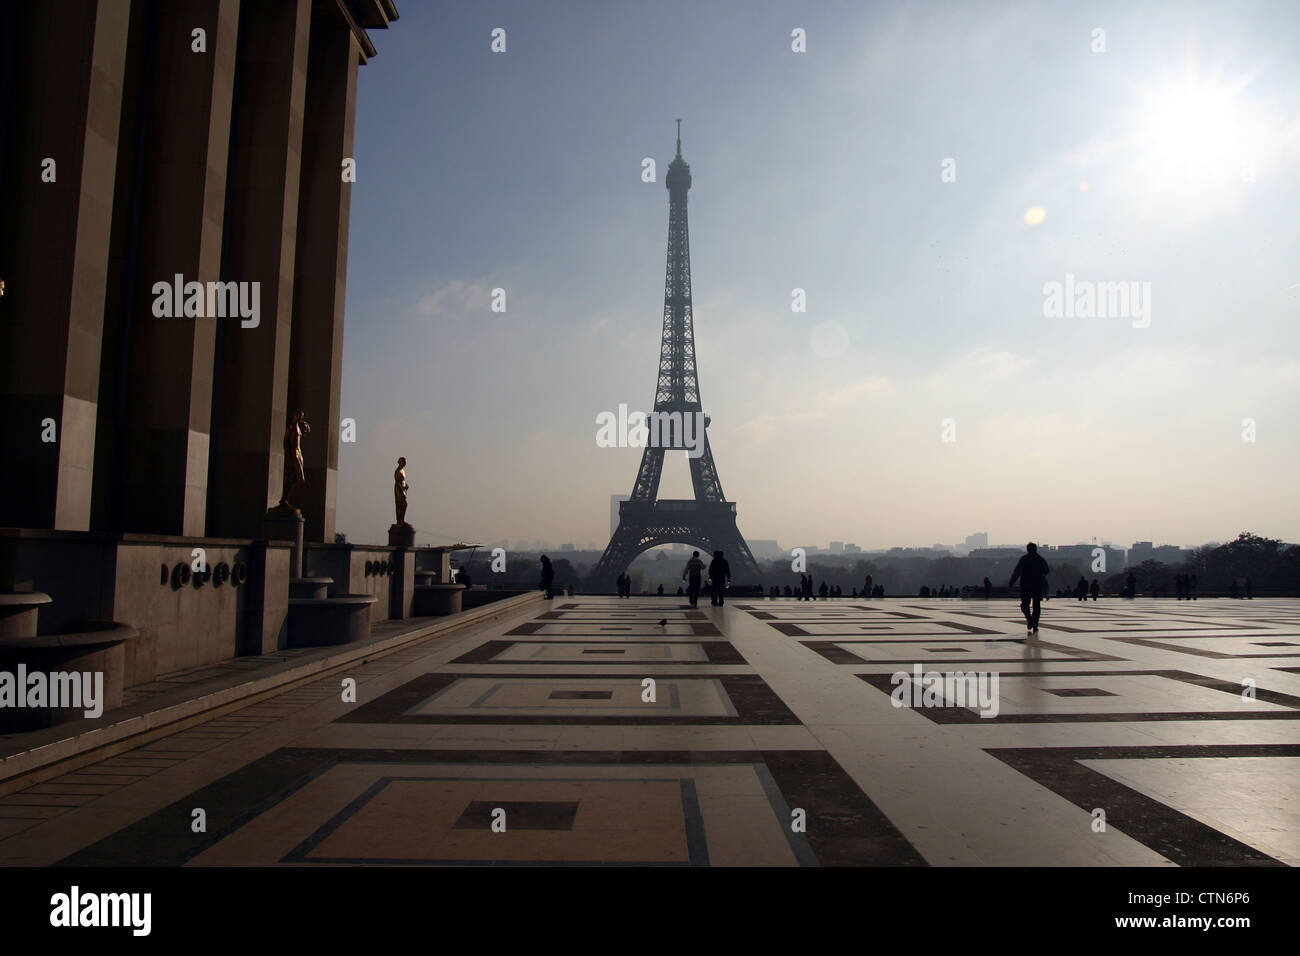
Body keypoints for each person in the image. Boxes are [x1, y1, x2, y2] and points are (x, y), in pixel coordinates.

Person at [1008, 542, 1050, 636]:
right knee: (1036, 606)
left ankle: (1029, 619)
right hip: (1037, 585)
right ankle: (1034, 624)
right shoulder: (1040, 559)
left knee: (1024, 605)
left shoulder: (1024, 559)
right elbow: (1046, 571)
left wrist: (1011, 582)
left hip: (1026, 585)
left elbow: (1017, 571)